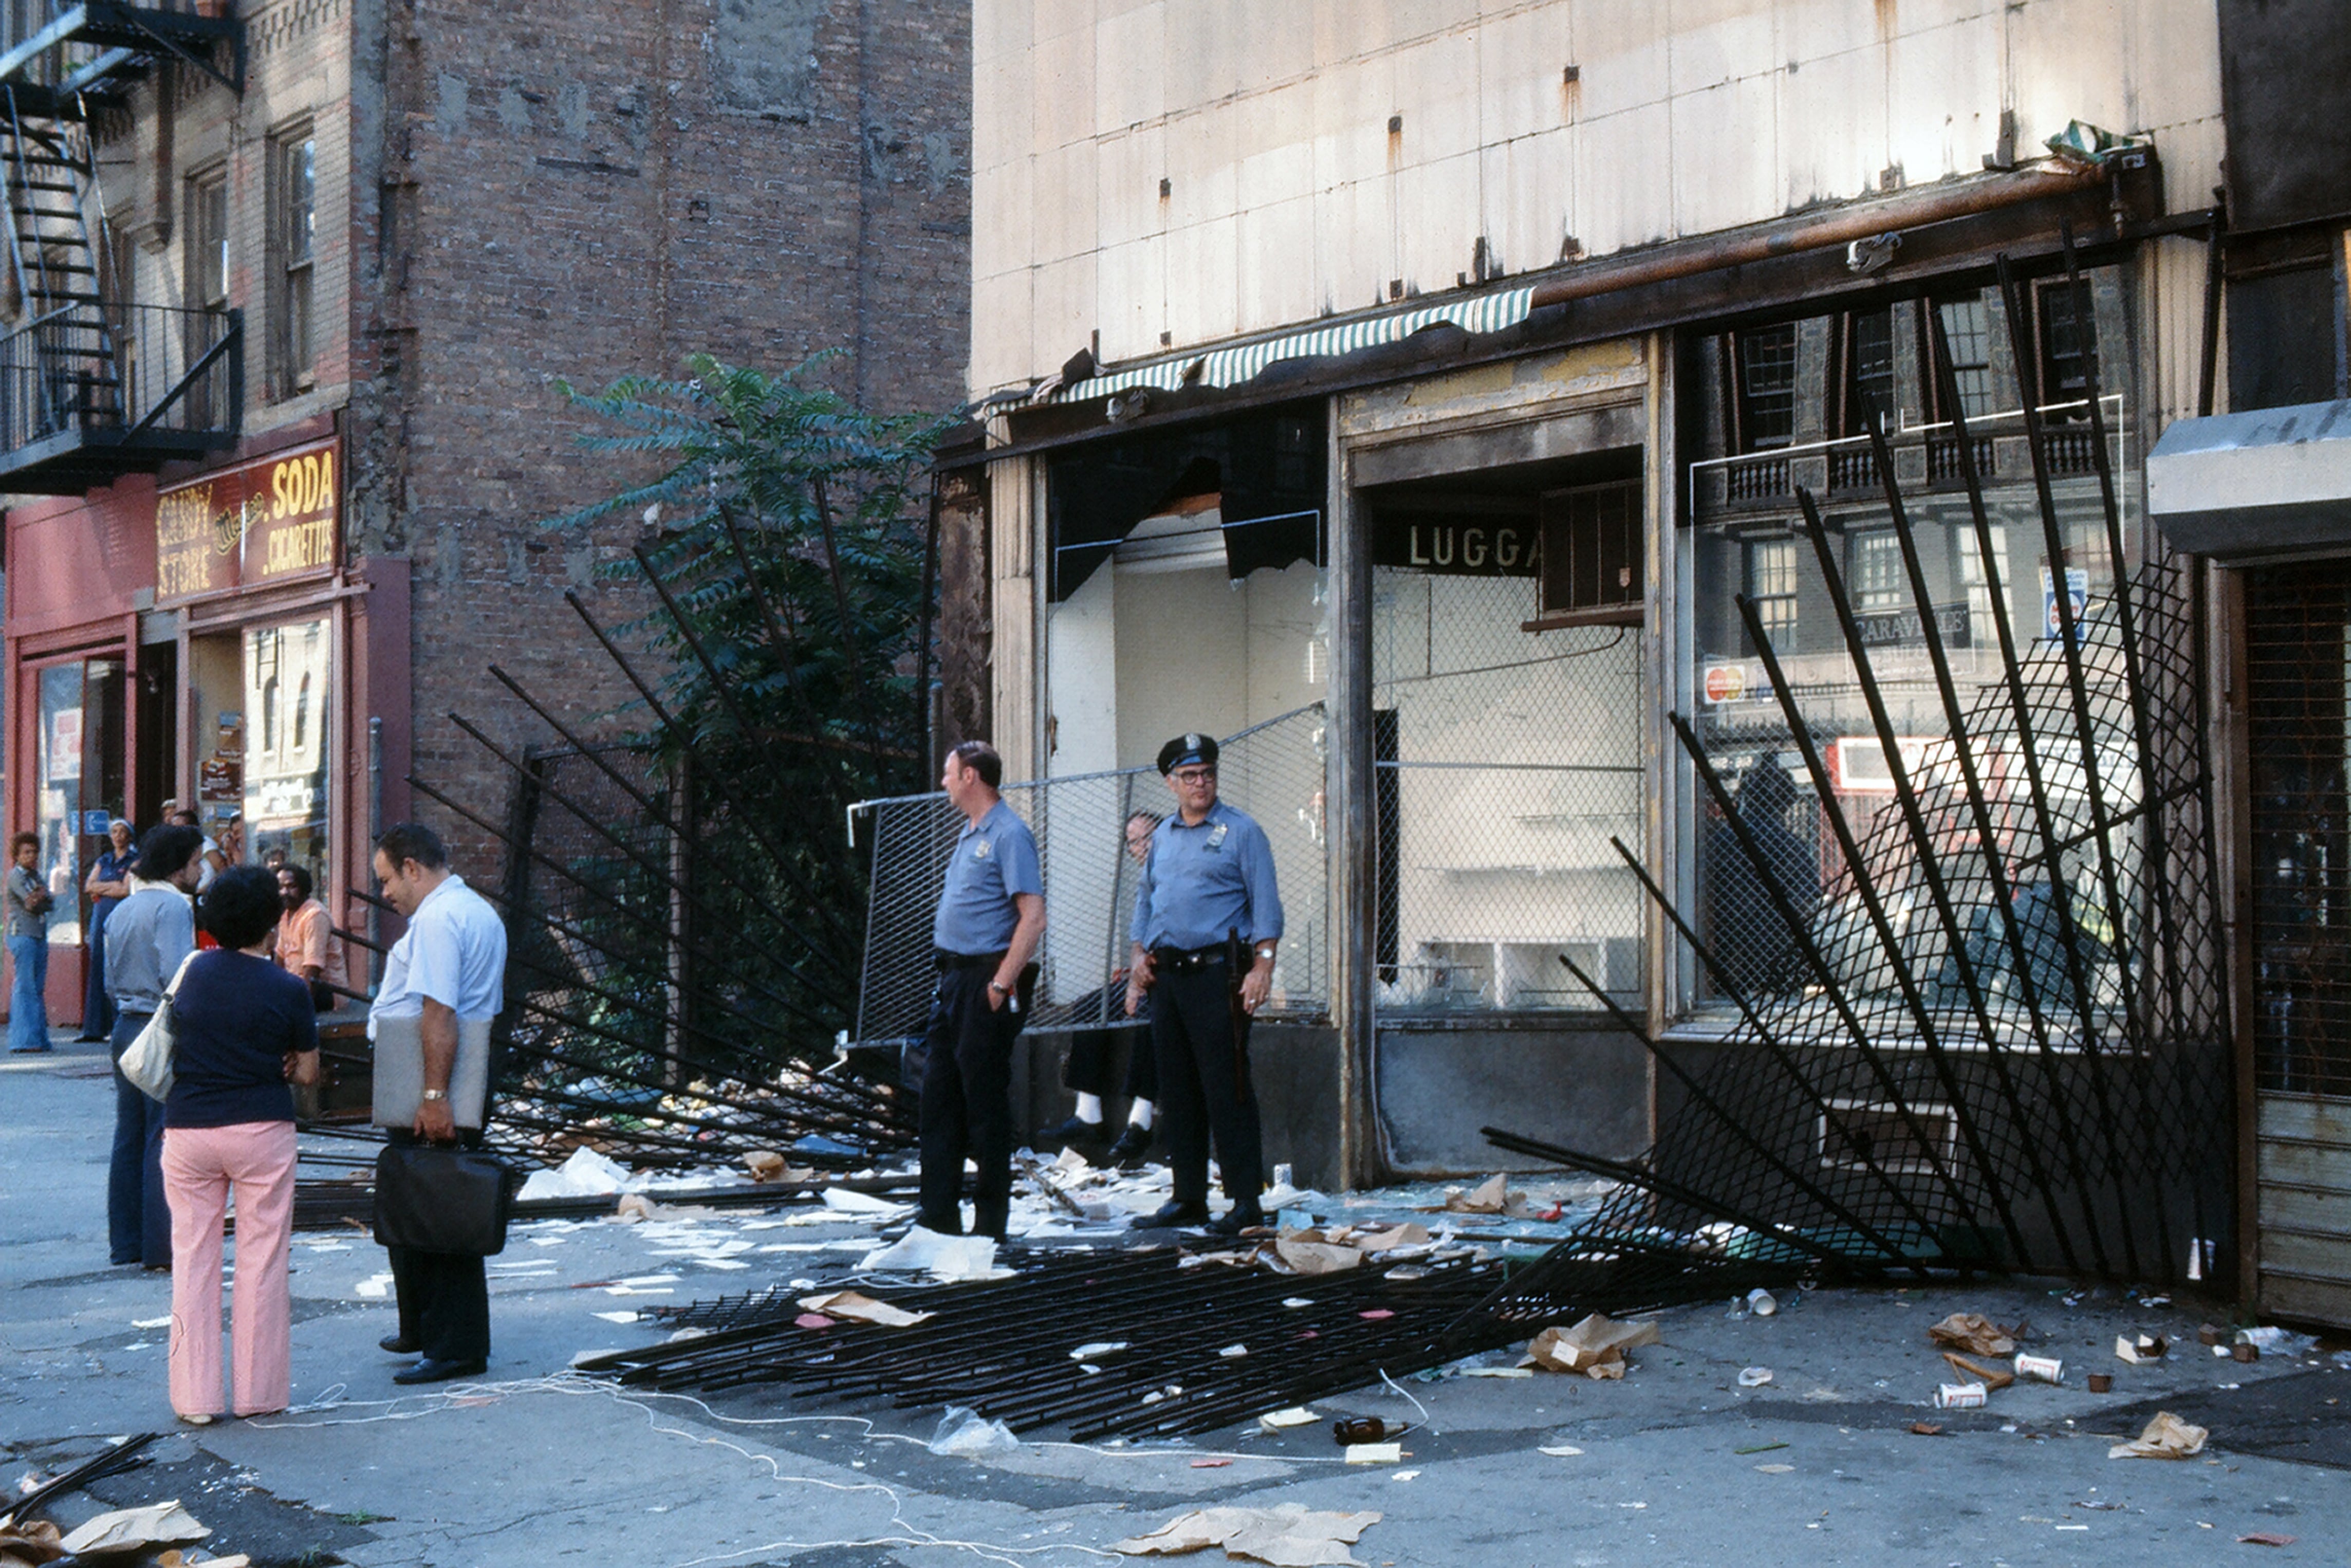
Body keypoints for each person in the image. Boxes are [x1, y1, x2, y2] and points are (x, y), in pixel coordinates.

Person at [158, 865, 319, 1424]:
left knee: (193, 1259)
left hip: (188, 1130)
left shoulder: (192, 972)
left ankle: (195, 1399)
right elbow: (308, 1075)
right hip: (261, 1130)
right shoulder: (289, 988)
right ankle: (259, 1395)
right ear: (273, 922)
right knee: (262, 1259)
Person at [1126, 733, 1283, 1237]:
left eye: (1208, 774)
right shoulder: (1165, 836)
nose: (1201, 784)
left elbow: (1266, 907)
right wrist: (1137, 958)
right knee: (1178, 1089)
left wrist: (1263, 968)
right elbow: (1146, 901)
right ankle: (1188, 1196)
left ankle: (1244, 1202)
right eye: (1190, 776)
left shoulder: (1241, 831)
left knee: (1228, 1087)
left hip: (1220, 976)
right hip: (1168, 978)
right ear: (1171, 782)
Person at [368, 821, 508, 1385]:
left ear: (412, 867)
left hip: (436, 1077)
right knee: (415, 1199)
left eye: (386, 881)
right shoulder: (473, 909)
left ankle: (456, 1346)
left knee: (440, 1208)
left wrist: (433, 1096)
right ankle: (423, 1324)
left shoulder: (437, 919)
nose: (386, 895)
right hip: (441, 1073)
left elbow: (439, 1013)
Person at [916, 741, 1044, 1243]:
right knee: (939, 1098)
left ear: (971, 776)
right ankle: (939, 1214)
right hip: (952, 981)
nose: (944, 782)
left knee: (985, 1104)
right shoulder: (970, 834)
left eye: (949, 774)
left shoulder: (1009, 834)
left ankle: (991, 1224)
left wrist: (1001, 982)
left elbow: (1033, 918)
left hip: (983, 981)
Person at [105, 824, 207, 1268]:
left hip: (125, 1023)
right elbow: (177, 974)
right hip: (158, 1023)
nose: (201, 868)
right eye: (197, 860)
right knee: (159, 1135)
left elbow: (109, 980)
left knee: (128, 1133)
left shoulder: (122, 910)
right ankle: (159, 1247)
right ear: (178, 865)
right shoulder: (173, 906)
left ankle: (126, 1242)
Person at [1035, 810, 1160, 1166]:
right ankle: (1088, 1113)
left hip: (1171, 978)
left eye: (1146, 838)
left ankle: (1141, 1119)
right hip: (1144, 974)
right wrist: (1132, 972)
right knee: (1090, 1005)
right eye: (1132, 842)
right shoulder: (1143, 882)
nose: (1139, 848)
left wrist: (1142, 977)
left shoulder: (1172, 873)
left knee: (1150, 1018)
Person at [80, 818, 137, 1042]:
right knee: (97, 965)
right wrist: (110, 887)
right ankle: (94, 1027)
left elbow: (125, 890)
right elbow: (88, 885)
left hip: (120, 915)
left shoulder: (135, 860)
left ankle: (118, 1024)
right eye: (114, 831)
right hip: (100, 916)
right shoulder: (104, 859)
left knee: (118, 966)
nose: (118, 836)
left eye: (122, 832)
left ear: (130, 836)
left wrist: (102, 888)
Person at [273, 863, 346, 1008]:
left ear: (303, 888)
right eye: (281, 888)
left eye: (291, 887)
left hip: (325, 990)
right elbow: (280, 957)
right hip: (295, 985)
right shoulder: (286, 914)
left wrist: (301, 1008)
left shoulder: (314, 915)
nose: (284, 893)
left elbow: (313, 969)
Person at [6, 831, 53, 1054]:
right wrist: (40, 897)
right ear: (17, 855)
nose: (31, 856)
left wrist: (41, 897)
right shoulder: (16, 876)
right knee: (25, 988)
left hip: (38, 934)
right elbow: (32, 903)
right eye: (26, 852)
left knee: (37, 988)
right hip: (22, 934)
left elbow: (50, 902)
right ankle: (23, 1040)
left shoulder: (36, 876)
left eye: (34, 852)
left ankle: (39, 1038)